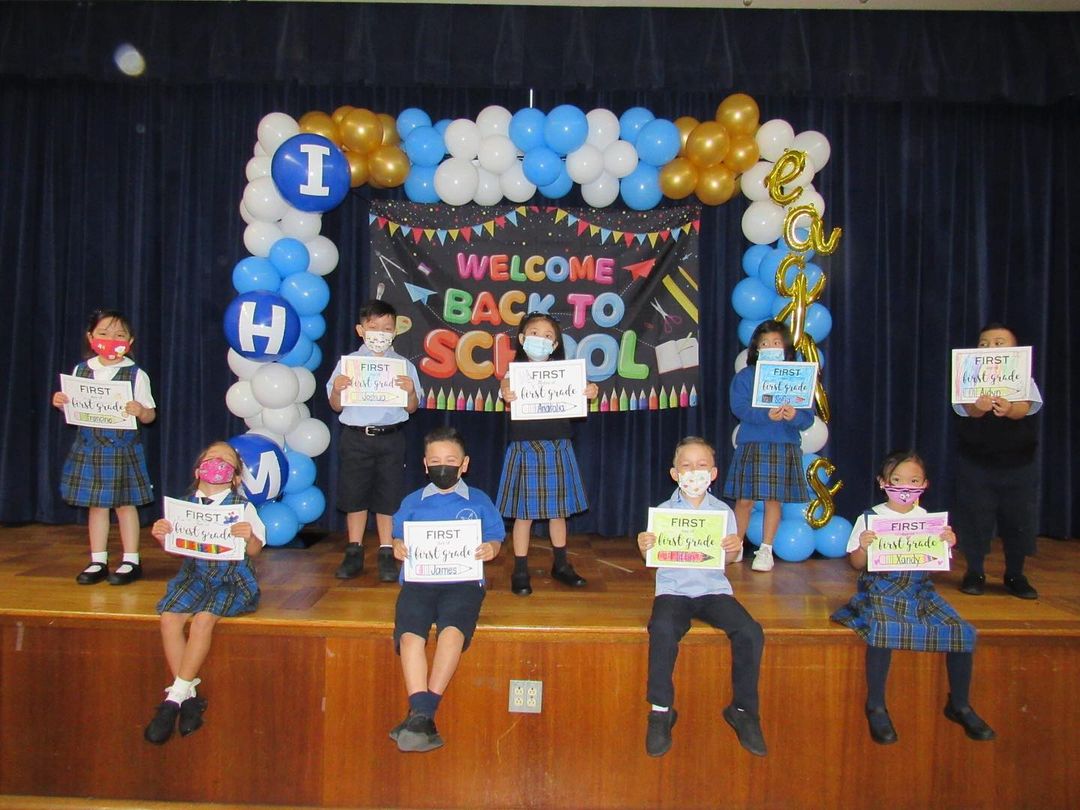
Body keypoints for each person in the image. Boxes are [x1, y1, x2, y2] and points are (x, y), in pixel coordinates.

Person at [831, 450, 995, 745]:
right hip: (880, 589)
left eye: (913, 480)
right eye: (897, 480)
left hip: (920, 591)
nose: (905, 487)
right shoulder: (871, 518)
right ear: (883, 483)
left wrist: (949, 544)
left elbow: (941, 565)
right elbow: (855, 564)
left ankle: (960, 704)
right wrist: (864, 547)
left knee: (961, 630)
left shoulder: (929, 521)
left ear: (924, 484)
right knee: (883, 629)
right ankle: (876, 705)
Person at [637, 437, 766, 758]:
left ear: (714, 473)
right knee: (663, 630)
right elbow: (651, 557)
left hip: (713, 590)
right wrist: (644, 546)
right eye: (686, 466)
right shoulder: (664, 513)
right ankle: (661, 710)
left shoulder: (723, 512)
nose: (694, 472)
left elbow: (730, 561)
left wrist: (734, 550)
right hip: (674, 590)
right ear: (674, 473)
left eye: (702, 465)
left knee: (750, 632)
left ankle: (743, 710)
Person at [388, 426, 504, 752]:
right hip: (418, 583)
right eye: (435, 460)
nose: (443, 466)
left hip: (463, 583)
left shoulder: (479, 500)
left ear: (464, 464)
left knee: (452, 633)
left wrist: (491, 549)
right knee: (410, 636)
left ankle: (422, 713)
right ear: (425, 465)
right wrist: (397, 545)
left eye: (450, 460)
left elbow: (496, 537)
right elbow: (398, 534)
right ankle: (422, 715)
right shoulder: (411, 502)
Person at [143, 441, 265, 744]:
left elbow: (256, 549)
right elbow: (178, 548)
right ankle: (189, 698)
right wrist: (162, 535)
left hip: (231, 578)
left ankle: (173, 700)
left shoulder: (242, 507)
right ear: (199, 469)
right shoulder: (183, 505)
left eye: (227, 461)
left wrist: (247, 535)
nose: (218, 463)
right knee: (169, 617)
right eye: (212, 458)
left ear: (235, 476)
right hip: (194, 575)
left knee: (202, 620)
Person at [51, 308, 157, 585]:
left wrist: (140, 411)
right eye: (103, 334)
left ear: (130, 341)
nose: (111, 340)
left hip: (122, 449)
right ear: (90, 337)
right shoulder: (81, 370)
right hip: (89, 448)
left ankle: (131, 560)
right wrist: (62, 402)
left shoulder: (136, 374)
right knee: (96, 507)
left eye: (119, 335)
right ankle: (98, 559)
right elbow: (75, 413)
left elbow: (150, 415)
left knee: (125, 505)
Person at [497, 312, 597, 595]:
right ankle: (519, 569)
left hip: (558, 446)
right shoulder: (512, 373)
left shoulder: (567, 373)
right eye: (535, 333)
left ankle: (561, 565)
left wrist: (590, 391)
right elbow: (505, 393)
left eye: (548, 336)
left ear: (555, 345)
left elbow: (582, 397)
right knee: (523, 515)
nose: (540, 339)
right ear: (522, 338)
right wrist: (506, 392)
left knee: (559, 513)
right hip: (525, 448)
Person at [327, 300, 421, 582]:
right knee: (354, 495)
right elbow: (336, 406)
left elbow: (412, 408)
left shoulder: (403, 366)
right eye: (374, 327)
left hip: (391, 438)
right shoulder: (348, 365)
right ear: (361, 329)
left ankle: (385, 551)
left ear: (395, 332)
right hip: (356, 438)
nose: (380, 333)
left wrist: (410, 391)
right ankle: (354, 550)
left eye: (387, 328)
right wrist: (339, 390)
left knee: (388, 497)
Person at [952, 323, 1043, 600]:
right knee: (975, 518)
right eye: (984, 343)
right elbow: (965, 408)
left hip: (1018, 464)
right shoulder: (966, 374)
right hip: (976, 463)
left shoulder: (1022, 377)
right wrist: (978, 408)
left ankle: (1015, 573)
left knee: (1019, 519)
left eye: (999, 342)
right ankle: (975, 572)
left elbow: (1027, 407)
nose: (990, 347)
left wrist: (1010, 408)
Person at [724, 319, 813, 572]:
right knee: (744, 500)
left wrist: (793, 415)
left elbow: (807, 418)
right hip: (752, 443)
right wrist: (766, 415)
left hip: (783, 444)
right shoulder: (746, 376)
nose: (771, 346)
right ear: (756, 348)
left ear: (785, 348)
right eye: (765, 343)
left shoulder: (798, 377)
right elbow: (738, 408)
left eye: (776, 342)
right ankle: (736, 545)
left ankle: (766, 549)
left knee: (774, 501)